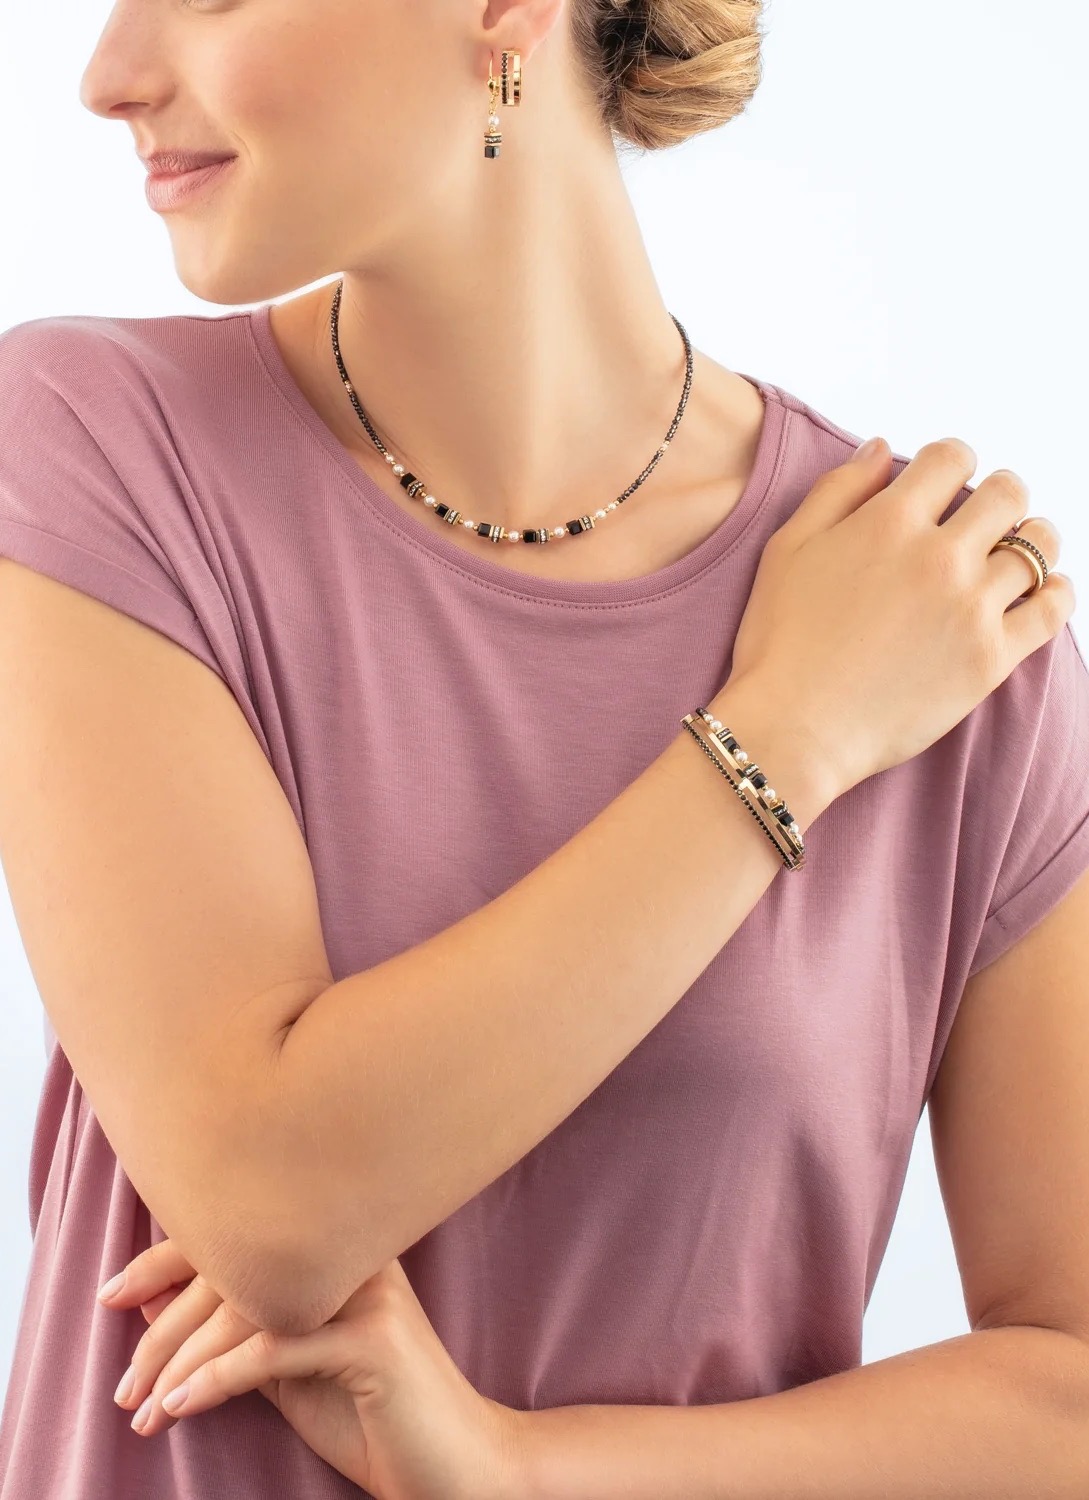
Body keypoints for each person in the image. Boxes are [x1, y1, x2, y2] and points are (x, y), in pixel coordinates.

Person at [1, 1, 1088, 1496]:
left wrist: (514, 1472)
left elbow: (1069, 1399)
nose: (107, 77)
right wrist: (785, 736)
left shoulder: (930, 612)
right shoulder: (98, 453)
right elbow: (269, 1202)